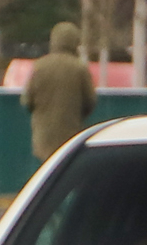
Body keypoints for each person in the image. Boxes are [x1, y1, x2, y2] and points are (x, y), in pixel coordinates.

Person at [22, 21, 96, 162]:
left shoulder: (39, 66)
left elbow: (27, 101)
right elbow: (90, 101)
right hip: (71, 136)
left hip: (43, 138)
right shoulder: (79, 69)